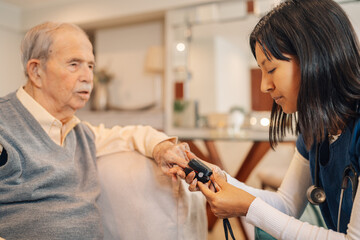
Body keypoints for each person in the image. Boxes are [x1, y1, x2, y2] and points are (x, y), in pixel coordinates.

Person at [183, 0, 360, 239]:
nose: (264, 86)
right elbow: (285, 204)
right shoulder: (315, 132)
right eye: (260, 70)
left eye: (271, 69)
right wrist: (220, 178)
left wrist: (248, 207)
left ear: (315, 57)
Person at [0, 22, 192, 239]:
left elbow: (132, 134)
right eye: (74, 64)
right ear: (36, 72)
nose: (88, 77)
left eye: (90, 66)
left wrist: (162, 148)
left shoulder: (81, 132)